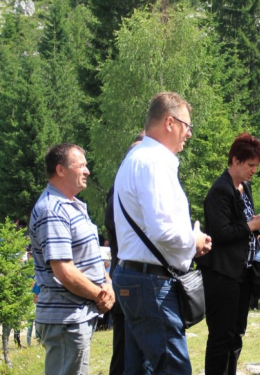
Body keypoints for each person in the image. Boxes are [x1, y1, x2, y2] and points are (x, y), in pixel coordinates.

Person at [113, 92, 212, 374]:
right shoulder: (154, 162)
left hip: (138, 277)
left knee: (139, 368)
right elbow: (162, 229)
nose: (189, 133)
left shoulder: (138, 157)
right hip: (151, 283)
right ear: (170, 122)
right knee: (173, 369)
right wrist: (194, 240)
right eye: (187, 125)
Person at [29, 143, 115, 375]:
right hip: (66, 319)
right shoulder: (52, 210)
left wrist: (106, 282)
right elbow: (64, 271)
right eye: (81, 165)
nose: (87, 171)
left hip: (75, 316)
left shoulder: (72, 206)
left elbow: (89, 258)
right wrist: (101, 295)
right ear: (60, 170)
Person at [197, 132, 260, 375]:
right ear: (235, 161)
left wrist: (258, 223)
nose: (254, 171)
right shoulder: (220, 190)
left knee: (237, 333)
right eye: (251, 165)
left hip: (242, 272)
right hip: (221, 273)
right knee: (221, 336)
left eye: (256, 166)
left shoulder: (244, 188)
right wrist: (251, 226)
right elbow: (221, 233)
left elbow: (243, 224)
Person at [104, 130, 145, 375]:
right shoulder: (119, 191)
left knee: (133, 353)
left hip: (129, 278)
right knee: (124, 353)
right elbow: (116, 228)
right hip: (126, 276)